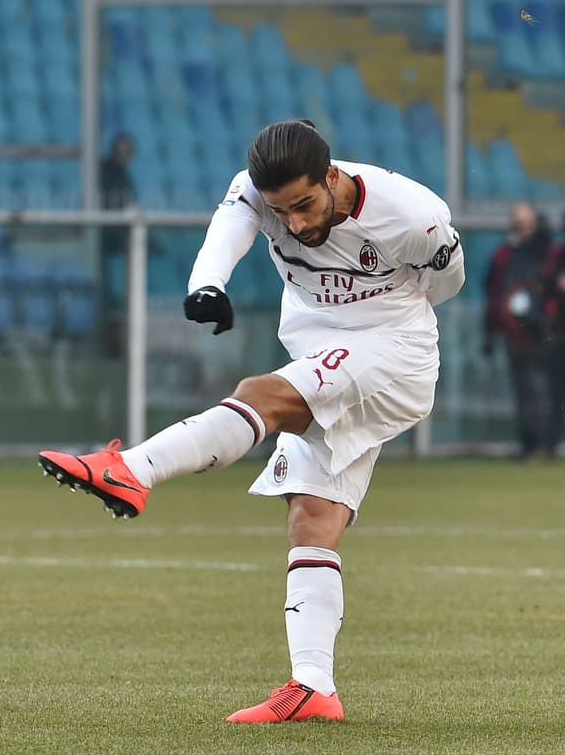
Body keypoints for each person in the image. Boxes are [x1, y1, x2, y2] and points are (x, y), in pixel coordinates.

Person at [38, 119, 465, 723]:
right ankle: (314, 686)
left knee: (258, 394)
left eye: (304, 204)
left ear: (332, 176)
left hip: (395, 351)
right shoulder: (256, 195)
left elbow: (447, 284)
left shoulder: (412, 214)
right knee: (311, 515)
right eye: (280, 210)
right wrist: (207, 285)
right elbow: (231, 226)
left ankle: (130, 469)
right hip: (320, 352)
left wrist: (375, 312)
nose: (293, 223)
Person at [483, 202, 560, 459]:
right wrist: (490, 333)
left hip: (546, 333)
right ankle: (531, 445)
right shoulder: (504, 256)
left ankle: (545, 445)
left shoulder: (548, 252)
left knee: (546, 390)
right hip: (515, 334)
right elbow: (494, 295)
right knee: (526, 391)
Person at [99, 133, 137, 357]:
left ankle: (117, 346)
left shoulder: (123, 176)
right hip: (107, 245)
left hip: (120, 247)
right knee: (110, 297)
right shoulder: (104, 175)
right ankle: (110, 347)